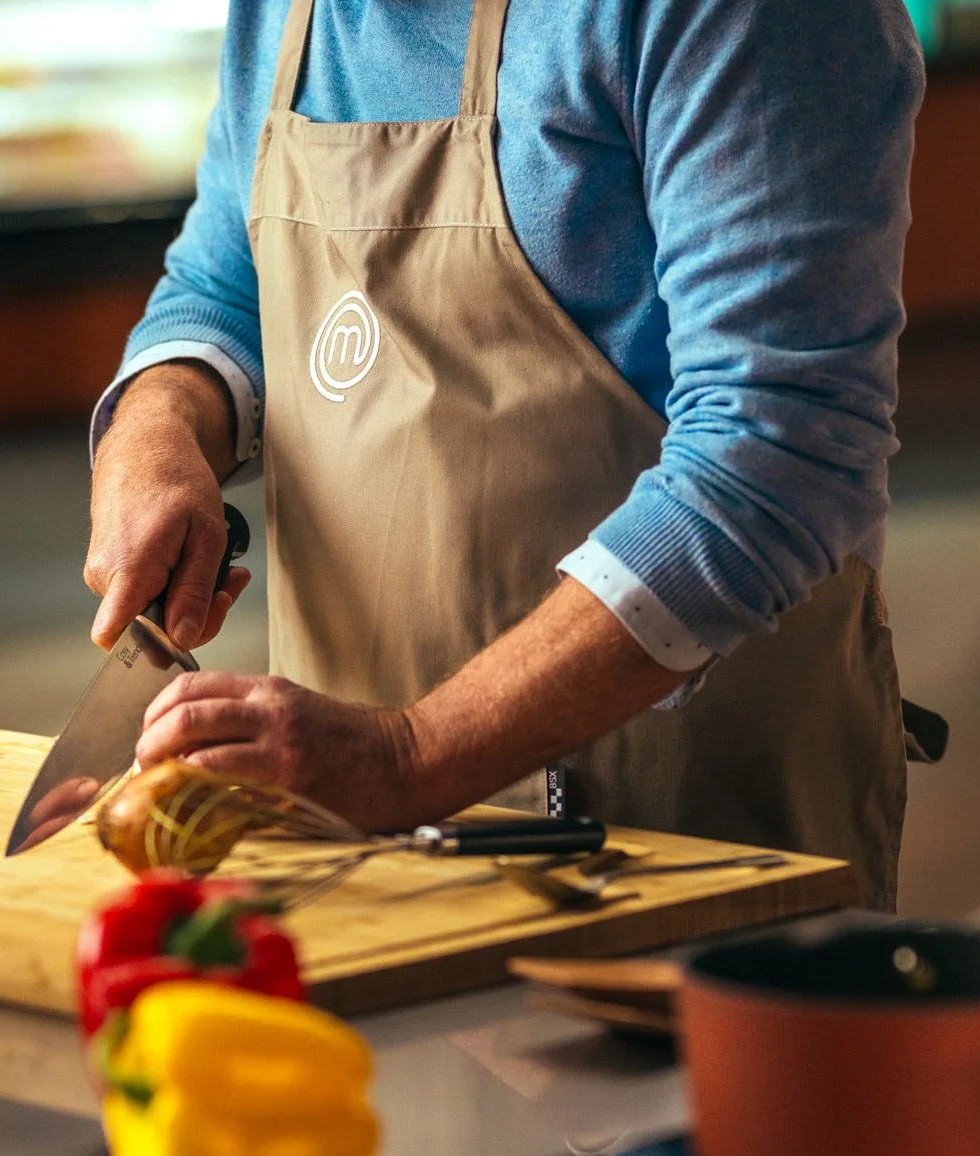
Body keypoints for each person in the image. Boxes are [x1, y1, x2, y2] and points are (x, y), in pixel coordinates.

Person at [85, 0, 927, 908]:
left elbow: (778, 449)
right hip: (335, 830)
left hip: (671, 842)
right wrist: (157, 424)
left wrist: (410, 755)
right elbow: (223, 285)